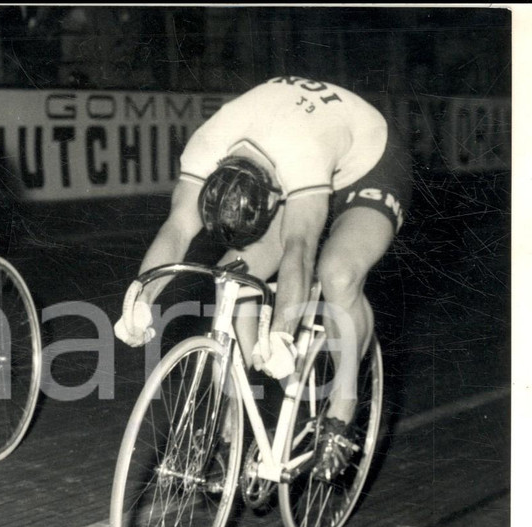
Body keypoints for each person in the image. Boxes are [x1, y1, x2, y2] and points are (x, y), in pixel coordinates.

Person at [114, 75, 412, 480]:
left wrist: (284, 332)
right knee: (234, 275)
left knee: (337, 273)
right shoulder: (206, 145)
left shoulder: (301, 157)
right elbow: (178, 229)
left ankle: (341, 411)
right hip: (286, 157)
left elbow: (298, 251)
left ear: (274, 199)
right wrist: (139, 300)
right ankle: (236, 414)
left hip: (367, 165)